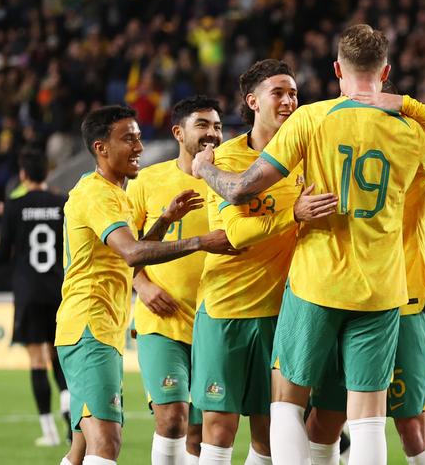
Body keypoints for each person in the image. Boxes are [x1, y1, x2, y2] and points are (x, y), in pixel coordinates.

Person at [192, 24, 425, 465]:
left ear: (336, 69)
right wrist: (409, 106)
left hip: (318, 282)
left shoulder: (311, 119)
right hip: (382, 288)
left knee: (285, 399)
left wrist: (204, 169)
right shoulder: (412, 130)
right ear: (386, 72)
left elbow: (238, 191)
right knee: (368, 416)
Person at [55, 105, 239, 465]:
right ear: (100, 148)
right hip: (91, 325)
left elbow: (132, 250)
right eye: (128, 139)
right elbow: (132, 252)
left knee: (80, 448)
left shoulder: (115, 193)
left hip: (95, 328)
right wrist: (200, 241)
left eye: (139, 137)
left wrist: (166, 220)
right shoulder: (98, 195)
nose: (139, 146)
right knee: (106, 441)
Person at [305, 89, 425, 465]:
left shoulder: (409, 136)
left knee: (411, 425)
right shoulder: (326, 131)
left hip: (403, 294)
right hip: (341, 291)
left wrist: (407, 107)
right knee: (326, 419)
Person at [190, 59, 338, 465]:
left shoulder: (311, 157)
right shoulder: (225, 161)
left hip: (286, 312)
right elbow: (234, 233)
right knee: (218, 429)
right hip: (227, 307)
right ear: (253, 101)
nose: (290, 100)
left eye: (294, 92)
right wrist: (293, 215)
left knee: (272, 435)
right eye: (280, 92)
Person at [125, 95, 224, 465]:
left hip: (214, 320)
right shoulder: (148, 181)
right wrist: (142, 285)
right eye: (203, 125)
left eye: (217, 125)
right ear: (178, 132)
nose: (212, 133)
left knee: (199, 434)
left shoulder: (228, 179)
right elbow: (125, 248)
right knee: (171, 419)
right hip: (162, 320)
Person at [0, 148, 71, 447]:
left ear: (23, 175)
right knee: (58, 358)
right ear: (47, 173)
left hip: (28, 290)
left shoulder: (14, 206)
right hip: (58, 289)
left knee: (37, 359)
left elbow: (1, 253)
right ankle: (69, 416)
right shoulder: (63, 202)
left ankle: (49, 432)